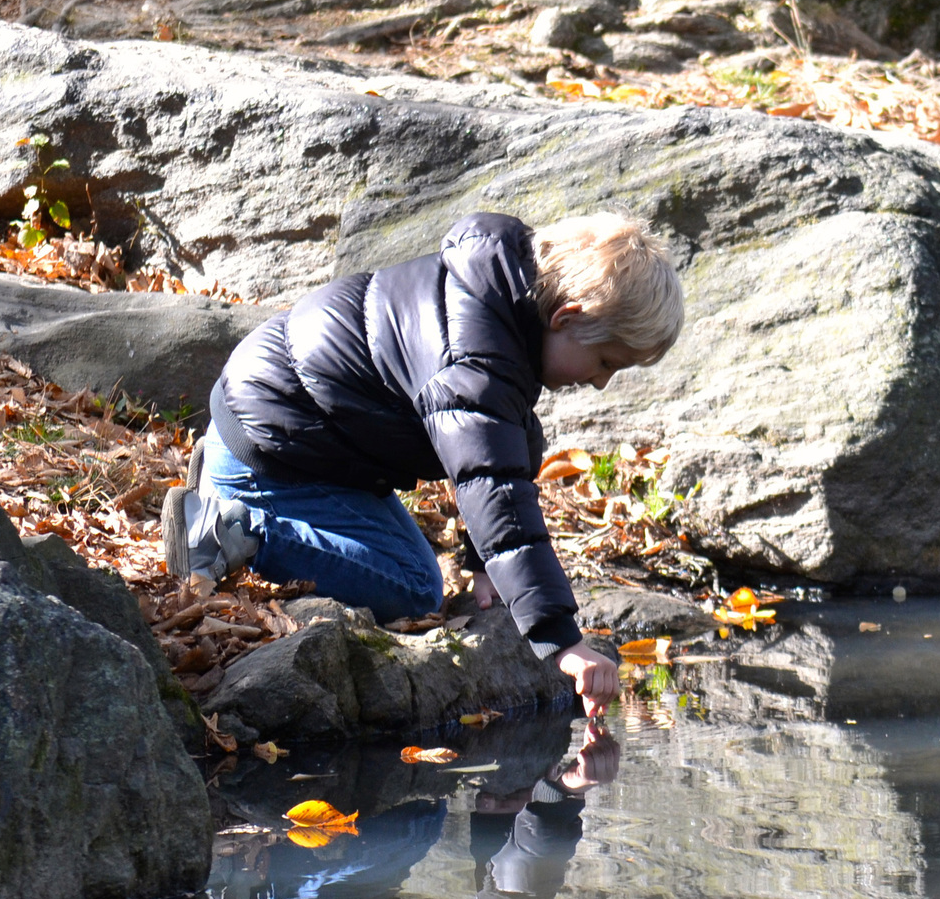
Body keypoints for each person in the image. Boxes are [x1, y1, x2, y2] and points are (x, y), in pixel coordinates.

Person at [162, 210, 679, 714]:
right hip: (278, 447)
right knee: (415, 587)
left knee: (416, 572)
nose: (600, 381)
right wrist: (562, 643)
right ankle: (228, 526)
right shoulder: (474, 353)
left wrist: (485, 566)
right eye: (607, 362)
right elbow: (491, 480)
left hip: (297, 438)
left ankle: (228, 481)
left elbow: (508, 450)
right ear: (566, 318)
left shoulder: (495, 295)